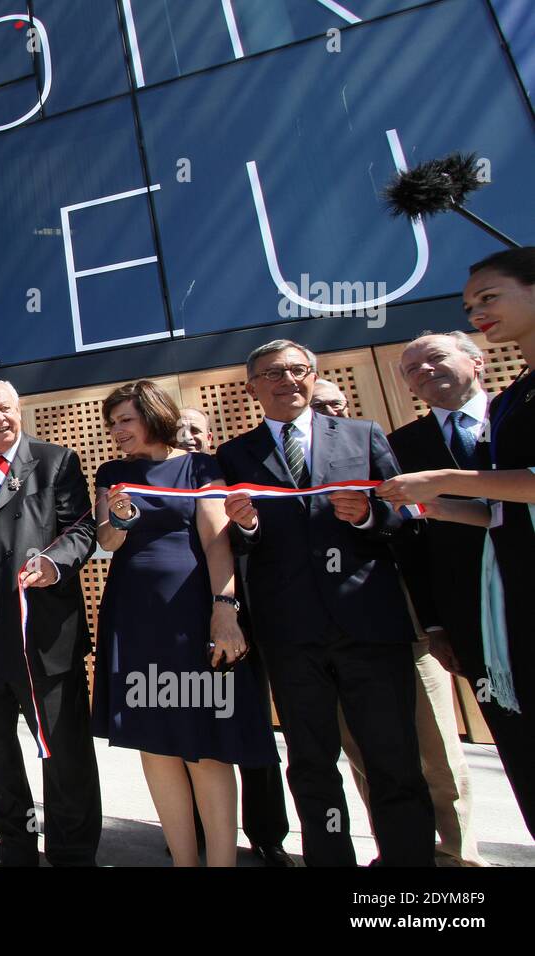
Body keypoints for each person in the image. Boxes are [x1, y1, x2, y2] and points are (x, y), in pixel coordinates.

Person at [216, 340, 434, 866]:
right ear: (252, 388)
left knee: (394, 761)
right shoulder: (235, 454)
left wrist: (366, 516)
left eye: (297, 370)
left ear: (313, 377)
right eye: (272, 373)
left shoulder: (363, 435)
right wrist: (247, 526)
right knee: (312, 765)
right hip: (291, 635)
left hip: (369, 625)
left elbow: (408, 520)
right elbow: (238, 546)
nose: (287, 380)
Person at [377, 248, 535, 838]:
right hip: (485, 619)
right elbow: (492, 515)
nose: (422, 374)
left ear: (473, 361)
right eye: (410, 370)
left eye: (489, 298)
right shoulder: (403, 442)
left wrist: (443, 483)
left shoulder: (512, 407)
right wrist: (437, 506)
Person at [95, 383, 275, 867]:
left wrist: (225, 609)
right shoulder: (112, 472)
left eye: (125, 420)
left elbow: (218, 540)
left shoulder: (200, 466)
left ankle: (222, 862)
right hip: (134, 619)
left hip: (192, 615)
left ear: (153, 415)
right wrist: (120, 518)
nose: (117, 431)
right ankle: (183, 861)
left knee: (207, 745)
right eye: (112, 423)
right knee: (154, 743)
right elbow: (107, 542)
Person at [314, 373, 485, 864]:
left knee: (435, 749)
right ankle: (399, 849)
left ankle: (457, 854)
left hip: (404, 624)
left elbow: (414, 529)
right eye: (318, 409)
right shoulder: (296, 468)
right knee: (366, 752)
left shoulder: (378, 453)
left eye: (335, 405)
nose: (328, 415)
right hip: (339, 636)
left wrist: (433, 623)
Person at [0, 380, 101, 866]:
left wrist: (54, 563)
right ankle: (16, 846)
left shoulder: (57, 462)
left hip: (41, 631)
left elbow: (81, 528)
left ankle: (71, 851)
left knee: (63, 750)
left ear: (20, 408)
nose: (0, 418)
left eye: (6, 408)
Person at [176, 406, 293, 867]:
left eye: (196, 430)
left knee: (250, 730)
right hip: (187, 624)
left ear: (212, 435)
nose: (187, 436)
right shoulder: (161, 479)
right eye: (179, 429)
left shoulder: (229, 472)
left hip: (247, 620)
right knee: (191, 730)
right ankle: (197, 829)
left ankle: (267, 835)